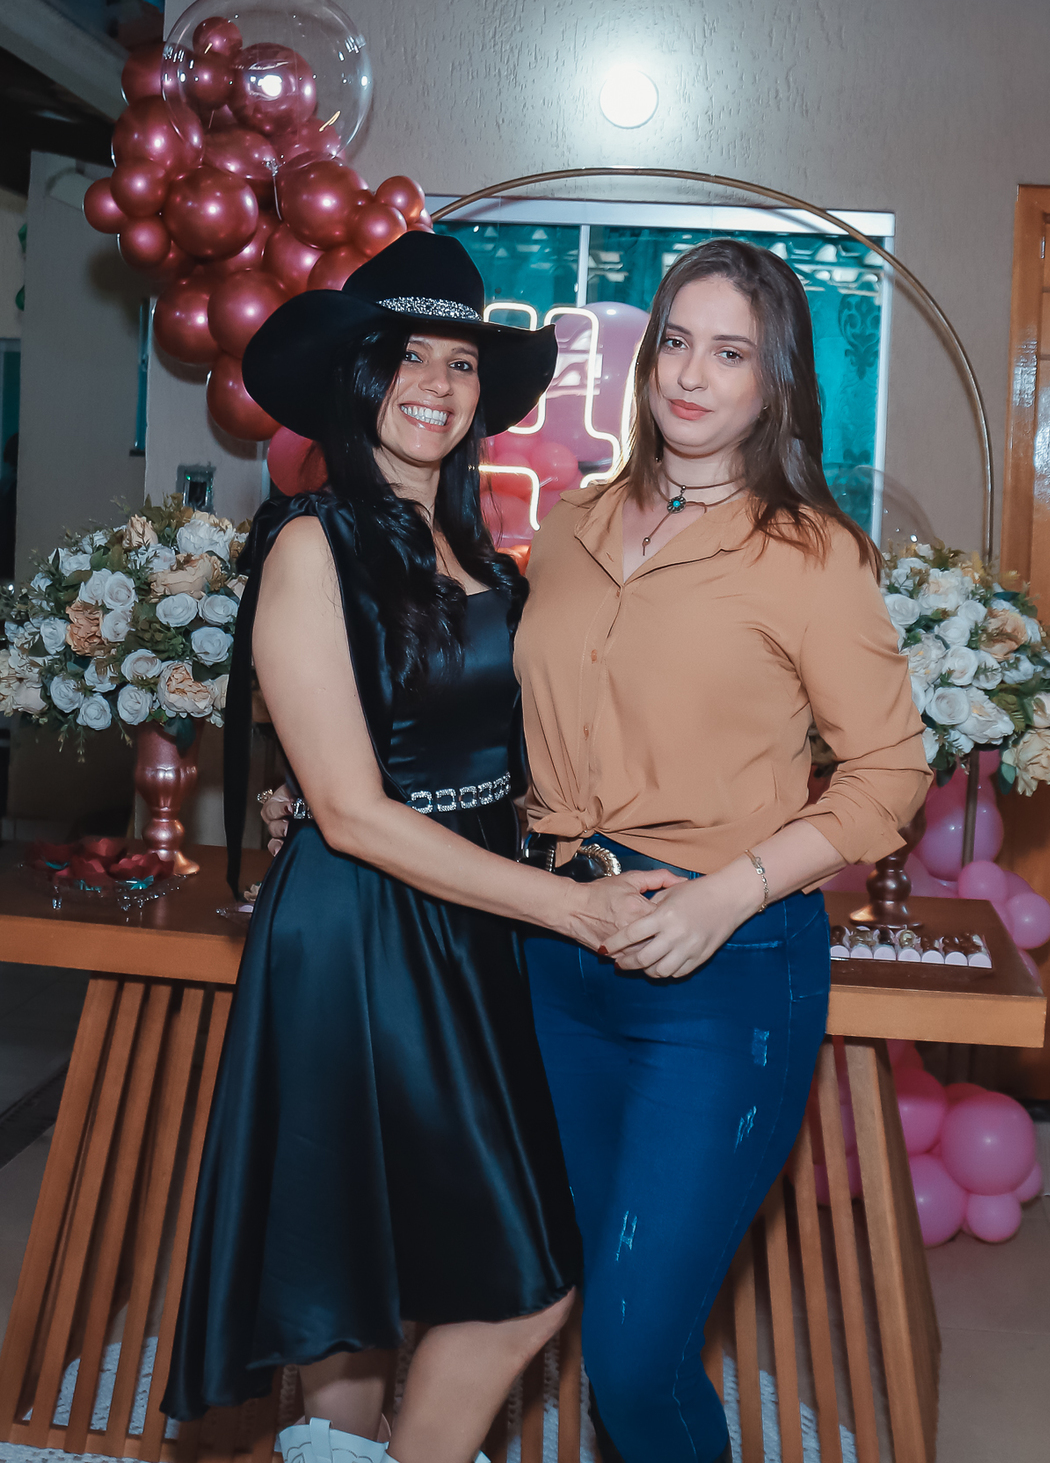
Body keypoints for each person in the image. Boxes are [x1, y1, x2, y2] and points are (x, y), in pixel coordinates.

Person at [163, 234, 671, 1463]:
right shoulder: (309, 543)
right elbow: (348, 809)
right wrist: (571, 910)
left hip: (471, 919)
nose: (436, 384)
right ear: (360, 375)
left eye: (461, 361)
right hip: (365, 933)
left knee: (385, 1268)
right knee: (492, 1282)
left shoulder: (477, 549)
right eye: (408, 356)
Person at [512, 239, 931, 1463]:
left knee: (634, 1354)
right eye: (677, 343)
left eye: (731, 353)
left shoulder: (812, 555)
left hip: (725, 972)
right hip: (558, 954)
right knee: (580, 1292)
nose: (692, 376)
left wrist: (725, 898)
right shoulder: (572, 526)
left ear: (773, 382)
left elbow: (890, 772)